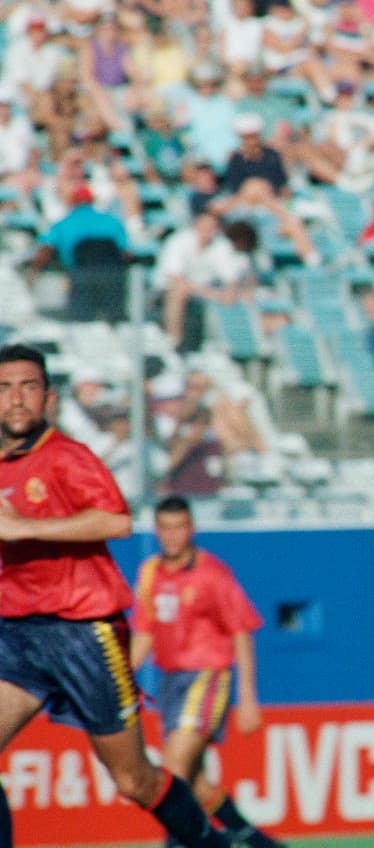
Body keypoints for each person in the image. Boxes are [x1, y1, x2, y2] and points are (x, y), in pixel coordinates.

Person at [0, 344, 232, 848]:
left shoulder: (66, 457)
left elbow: (116, 521)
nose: (16, 399)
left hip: (84, 633)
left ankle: (211, 845)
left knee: (134, 781)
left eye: (28, 387)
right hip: (16, 634)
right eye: (5, 388)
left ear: (48, 397)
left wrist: (24, 530)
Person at [131, 496, 284, 848]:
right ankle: (258, 843)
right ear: (156, 530)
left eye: (179, 527)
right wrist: (119, 679)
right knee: (196, 784)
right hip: (170, 681)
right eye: (165, 528)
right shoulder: (150, 572)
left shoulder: (211, 573)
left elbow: (241, 632)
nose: (172, 536)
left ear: (192, 529)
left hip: (206, 676)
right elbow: (144, 633)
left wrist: (247, 697)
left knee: (171, 771)